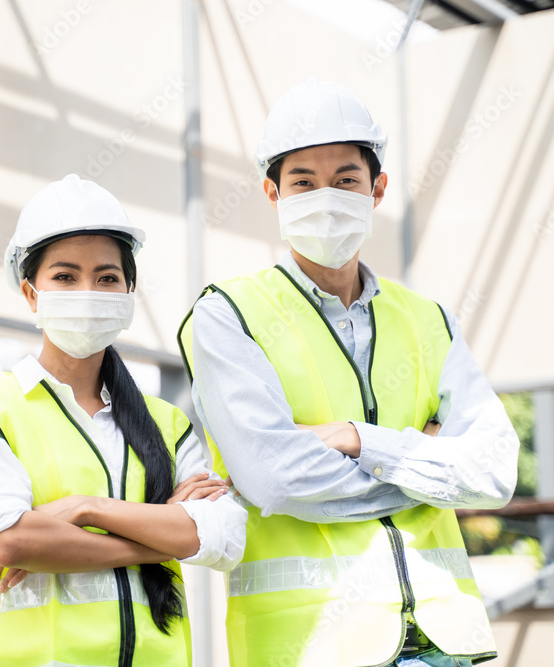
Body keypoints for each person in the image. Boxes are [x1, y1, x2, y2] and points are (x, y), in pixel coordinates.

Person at [177, 80, 520, 666]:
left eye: (345, 179)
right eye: (303, 182)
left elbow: (494, 473)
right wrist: (429, 466)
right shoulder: (226, 316)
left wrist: (359, 439)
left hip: (449, 642)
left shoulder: (429, 319)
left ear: (377, 188)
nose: (326, 196)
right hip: (312, 645)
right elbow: (277, 480)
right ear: (273, 192)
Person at [0, 174, 247, 667]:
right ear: (32, 294)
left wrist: (86, 509)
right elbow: (12, 539)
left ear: (130, 290)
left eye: (107, 277)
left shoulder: (168, 424)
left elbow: (222, 539)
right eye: (66, 277)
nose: (88, 290)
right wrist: (155, 540)